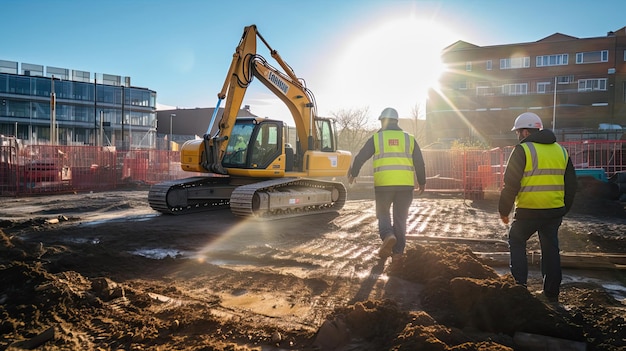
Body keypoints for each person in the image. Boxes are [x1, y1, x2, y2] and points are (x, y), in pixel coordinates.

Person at [499, 112, 577, 303]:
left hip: (528, 211)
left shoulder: (522, 150)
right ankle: (551, 293)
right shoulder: (560, 151)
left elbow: (511, 184)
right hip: (554, 211)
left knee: (516, 241)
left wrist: (504, 211)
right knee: (550, 248)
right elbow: (572, 184)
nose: (517, 136)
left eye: (518, 132)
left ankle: (520, 288)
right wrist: (563, 208)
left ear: (525, 132)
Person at [348, 107, 426, 261]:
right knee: (400, 219)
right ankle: (397, 254)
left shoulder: (377, 138)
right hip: (405, 186)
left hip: (384, 186)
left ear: (383, 121)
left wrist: (354, 173)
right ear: (396, 121)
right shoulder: (409, 139)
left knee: (383, 213)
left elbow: (361, 156)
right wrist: (422, 181)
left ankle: (388, 235)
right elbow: (419, 162)